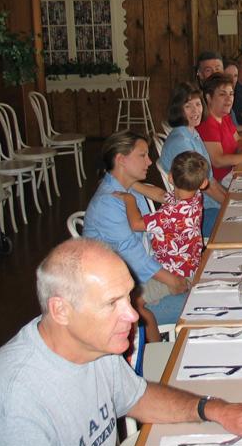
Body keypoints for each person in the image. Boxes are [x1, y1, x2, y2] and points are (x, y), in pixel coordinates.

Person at [0, 239, 242, 446]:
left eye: (128, 297)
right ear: (61, 310)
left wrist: (214, 409)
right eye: (112, 303)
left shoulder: (95, 346)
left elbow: (137, 397)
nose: (132, 315)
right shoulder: (13, 408)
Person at [83, 131, 188, 331]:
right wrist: (172, 280)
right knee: (202, 303)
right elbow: (134, 257)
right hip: (124, 298)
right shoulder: (107, 204)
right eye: (142, 155)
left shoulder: (128, 188)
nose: (149, 161)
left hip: (142, 278)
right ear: (121, 160)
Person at [115, 151, 208, 281]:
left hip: (174, 273)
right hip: (191, 264)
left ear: (170, 178)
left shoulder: (170, 215)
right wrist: (133, 184)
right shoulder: (196, 196)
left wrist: (129, 199)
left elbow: (136, 224)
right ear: (203, 183)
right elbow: (161, 195)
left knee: (139, 288)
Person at [160, 83, 226, 237]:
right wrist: (230, 206)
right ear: (178, 110)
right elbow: (206, 187)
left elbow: (210, 180)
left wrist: (230, 199)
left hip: (207, 206)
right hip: (197, 215)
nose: (195, 110)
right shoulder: (181, 142)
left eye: (198, 104)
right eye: (188, 106)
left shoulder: (192, 133)